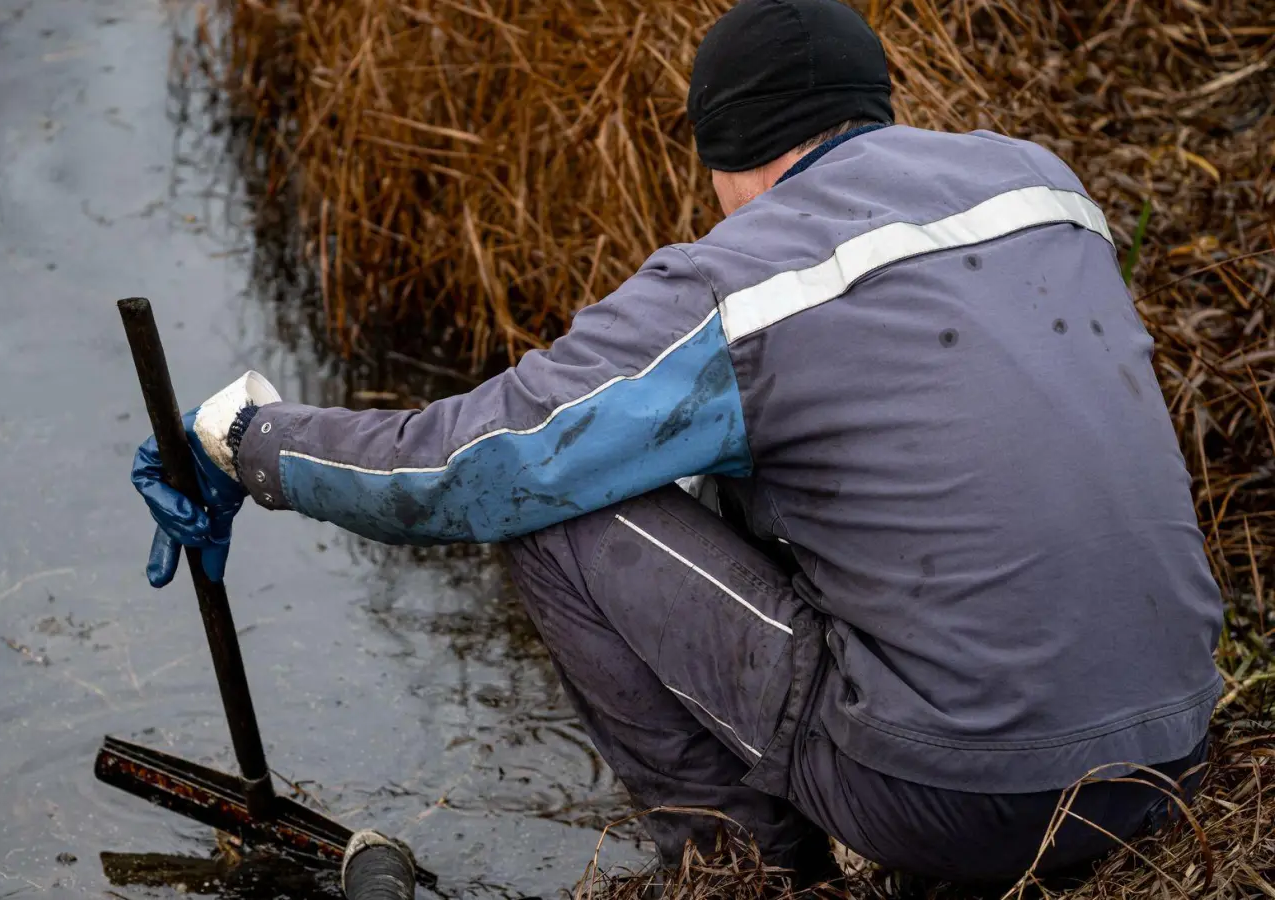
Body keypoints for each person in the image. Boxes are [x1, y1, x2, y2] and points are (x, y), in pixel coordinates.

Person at [131, 0, 1223, 886]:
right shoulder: (1041, 186)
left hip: (970, 801)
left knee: (558, 509)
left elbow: (470, 469)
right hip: (1172, 748)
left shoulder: (746, 279)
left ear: (726, 146)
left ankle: (742, 868)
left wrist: (248, 441)